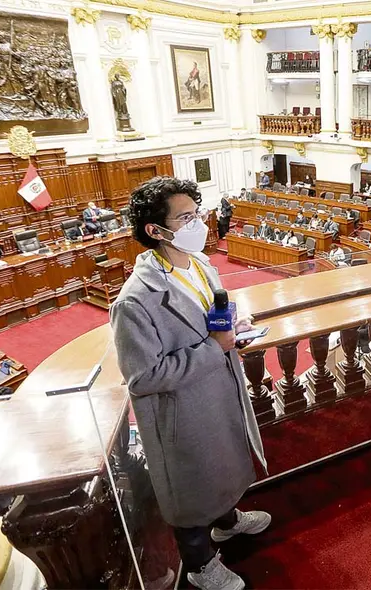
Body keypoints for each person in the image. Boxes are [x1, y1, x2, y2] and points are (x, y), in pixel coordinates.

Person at [110, 176, 270, 590]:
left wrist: (236, 327)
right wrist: (215, 349)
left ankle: (229, 522)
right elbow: (143, 378)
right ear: (155, 230)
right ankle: (201, 564)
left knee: (226, 464)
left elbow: (213, 320)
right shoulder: (134, 300)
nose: (198, 223)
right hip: (182, 410)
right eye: (185, 217)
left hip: (218, 390)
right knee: (192, 490)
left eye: (197, 214)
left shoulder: (200, 264)